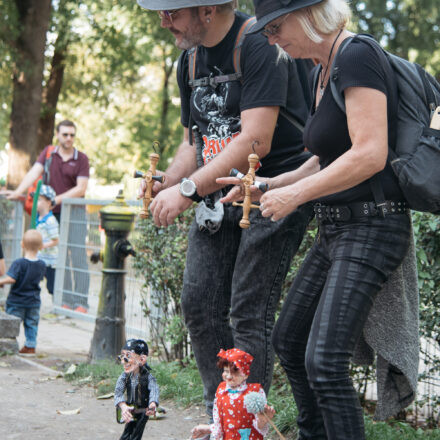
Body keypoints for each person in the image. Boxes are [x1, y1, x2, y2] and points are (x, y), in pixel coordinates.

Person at [218, 1, 412, 438]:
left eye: (276, 27)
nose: (270, 39)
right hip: (337, 228)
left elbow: (369, 152)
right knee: (289, 340)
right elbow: (326, 157)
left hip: (372, 226)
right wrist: (266, 186)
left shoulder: (357, 55)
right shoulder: (319, 71)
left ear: (309, 15)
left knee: (324, 362)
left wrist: (294, 197)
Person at [136, 0, 313, 417]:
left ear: (209, 10)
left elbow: (255, 141)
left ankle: (245, 422)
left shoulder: (257, 45)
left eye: (172, 13)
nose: (164, 22)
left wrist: (187, 189)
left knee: (249, 311)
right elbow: (192, 145)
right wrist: (169, 182)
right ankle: (220, 414)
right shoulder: (190, 60)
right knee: (200, 304)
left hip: (271, 192)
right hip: (217, 196)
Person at [3, 120, 90, 312]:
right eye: (65, 134)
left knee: (77, 256)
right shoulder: (49, 155)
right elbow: (34, 172)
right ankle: (65, 300)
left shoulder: (81, 158)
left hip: (74, 215)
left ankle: (81, 301)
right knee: (61, 258)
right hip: (53, 216)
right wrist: (18, 191)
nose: (69, 138)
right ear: (57, 135)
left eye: (72, 135)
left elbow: (81, 188)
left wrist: (54, 200)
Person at [191, 348, 275, 440]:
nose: (229, 376)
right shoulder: (221, 391)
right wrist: (208, 429)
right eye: (226, 371)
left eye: (235, 372)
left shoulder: (254, 392)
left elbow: (260, 426)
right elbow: (219, 424)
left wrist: (263, 420)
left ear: (245, 374)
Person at [0, 229, 46, 356]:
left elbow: (12, 278)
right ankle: (30, 346)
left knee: (11, 324)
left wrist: (1, 282)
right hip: (34, 302)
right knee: (31, 324)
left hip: (17, 301)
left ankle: (8, 344)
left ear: (22, 245)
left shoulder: (19, 263)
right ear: (41, 246)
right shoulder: (42, 264)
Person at [114, 339, 160, 440]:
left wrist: (153, 403)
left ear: (142, 359)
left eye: (128, 356)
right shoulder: (124, 377)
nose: (123, 361)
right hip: (130, 409)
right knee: (127, 433)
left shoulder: (148, 377)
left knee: (136, 435)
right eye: (122, 356)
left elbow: (154, 389)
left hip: (143, 411)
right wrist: (123, 406)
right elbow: (118, 392)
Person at [36, 185, 59, 297]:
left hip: (50, 260)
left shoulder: (50, 220)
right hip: (39, 258)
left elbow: (56, 240)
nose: (36, 202)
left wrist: (43, 245)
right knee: (34, 281)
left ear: (49, 202)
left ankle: (55, 307)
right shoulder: (37, 218)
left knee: (52, 287)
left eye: (39, 199)